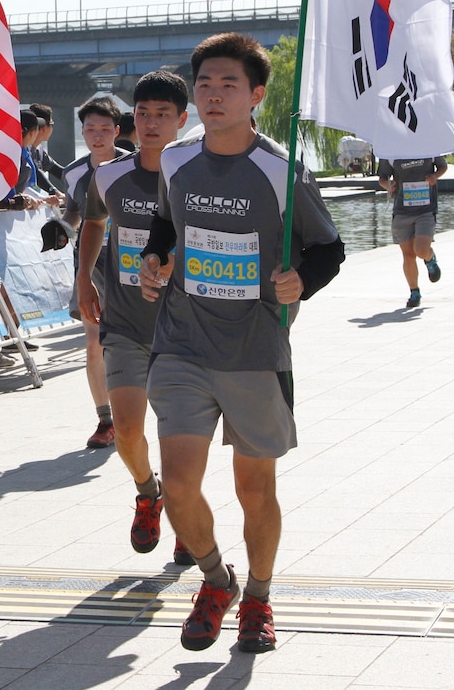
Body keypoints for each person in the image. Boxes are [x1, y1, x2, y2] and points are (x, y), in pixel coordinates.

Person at [138, 33, 344, 653]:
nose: (214, 95)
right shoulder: (175, 161)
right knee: (176, 483)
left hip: (256, 353)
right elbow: (167, 226)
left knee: (254, 490)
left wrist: (299, 281)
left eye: (229, 85)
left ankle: (258, 596)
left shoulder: (282, 171)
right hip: (181, 345)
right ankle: (214, 580)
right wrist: (155, 261)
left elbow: (329, 247)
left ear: (256, 96)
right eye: (204, 84)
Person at [76, 70, 192, 567]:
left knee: (180, 438)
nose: (150, 123)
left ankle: (189, 518)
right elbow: (95, 223)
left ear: (182, 120)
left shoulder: (197, 177)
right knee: (126, 430)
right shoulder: (109, 176)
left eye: (162, 114)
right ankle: (149, 493)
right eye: (142, 113)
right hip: (124, 325)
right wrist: (84, 279)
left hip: (185, 331)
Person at [62, 96, 124, 449]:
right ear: (82, 131)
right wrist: (61, 227)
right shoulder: (73, 172)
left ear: (116, 131)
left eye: (104, 129)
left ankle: (139, 411)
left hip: (132, 261)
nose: (97, 136)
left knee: (139, 341)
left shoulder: (136, 165)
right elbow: (74, 212)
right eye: (90, 129)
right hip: (91, 264)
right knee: (93, 342)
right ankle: (105, 420)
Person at [378, 156, 446, 308]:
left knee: (421, 250)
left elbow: (443, 166)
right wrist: (388, 185)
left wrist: (434, 176)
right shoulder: (390, 150)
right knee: (408, 255)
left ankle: (430, 258)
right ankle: (414, 292)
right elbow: (382, 178)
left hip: (426, 209)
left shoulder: (428, 144)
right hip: (402, 211)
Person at [29, 102, 68, 193]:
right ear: (44, 128)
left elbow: (59, 172)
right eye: (52, 124)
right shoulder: (22, 150)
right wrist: (54, 192)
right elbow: (35, 172)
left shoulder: (39, 150)